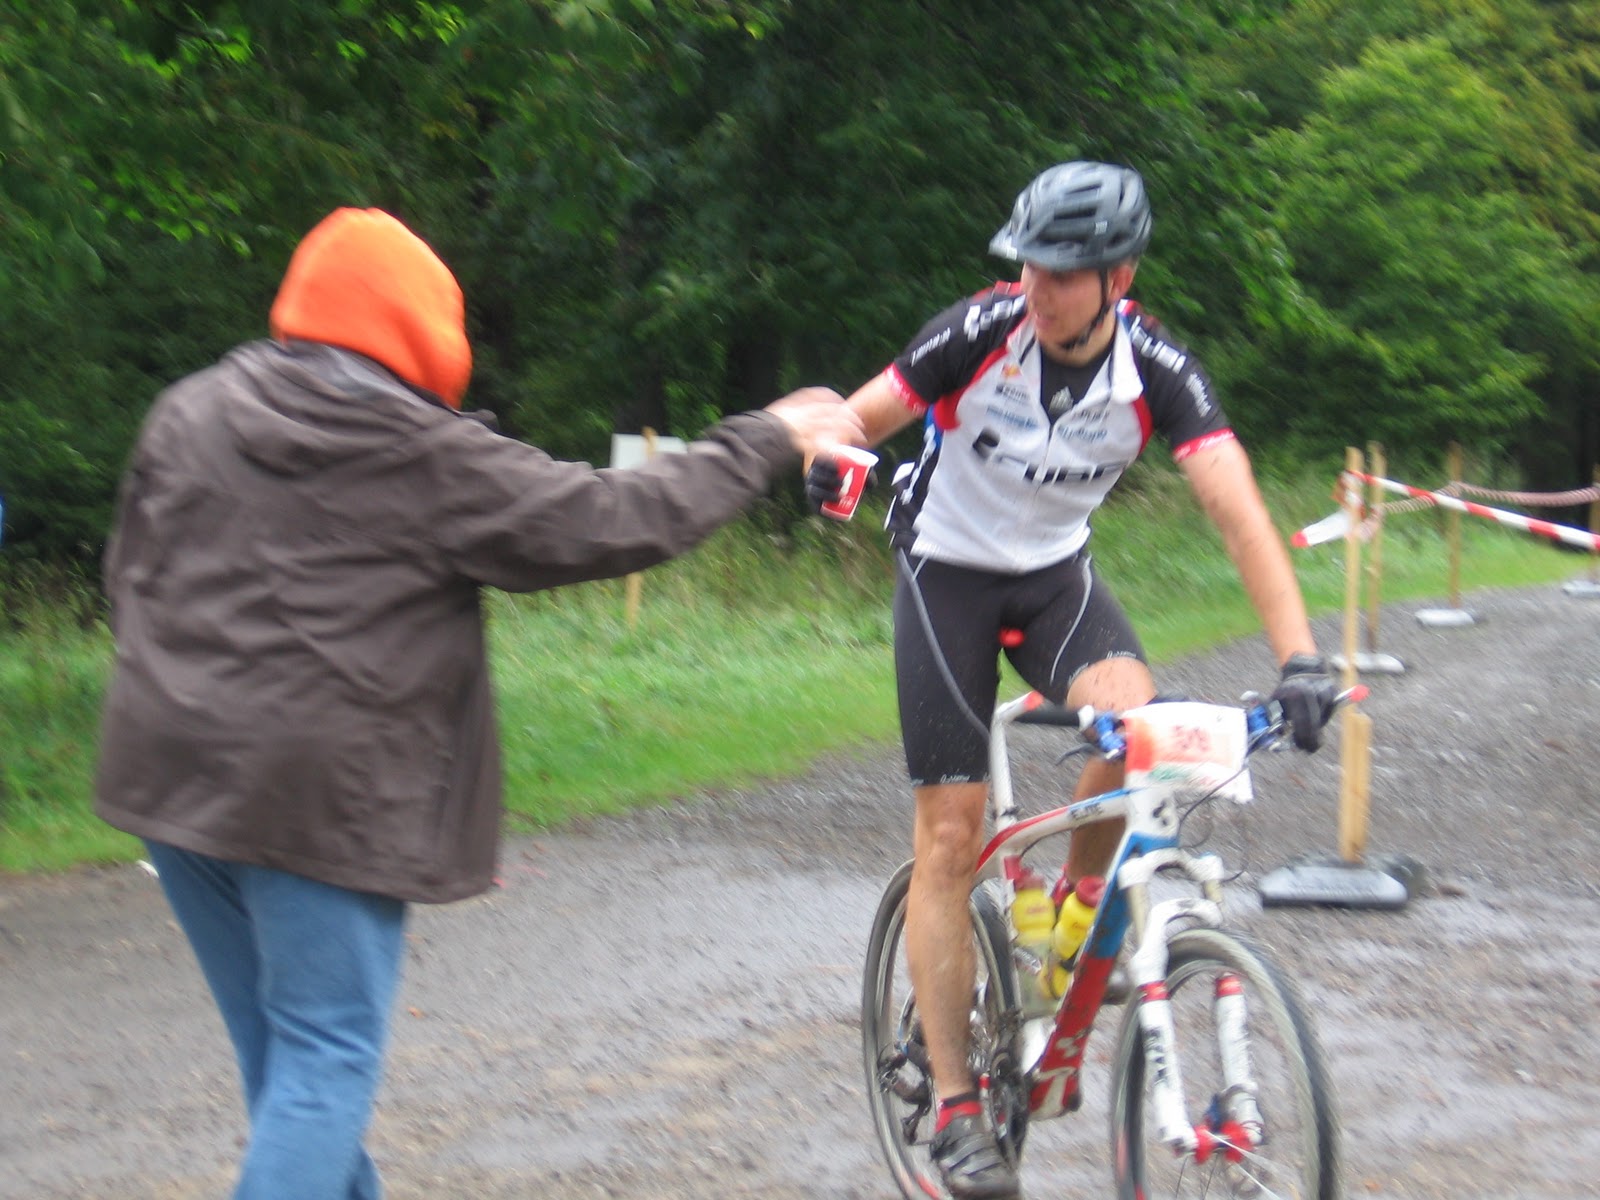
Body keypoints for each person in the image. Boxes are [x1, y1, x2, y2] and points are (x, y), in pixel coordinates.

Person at [94, 206, 863, 1200]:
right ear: (423, 334)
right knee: (323, 1061)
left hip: (172, 777)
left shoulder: (188, 410)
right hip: (316, 799)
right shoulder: (416, 448)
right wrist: (765, 437)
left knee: (288, 1068)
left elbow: (130, 573)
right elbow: (610, 516)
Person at [806, 161, 1337, 1200]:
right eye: (1029, 267)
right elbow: (857, 418)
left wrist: (1301, 660)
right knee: (950, 833)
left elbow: (1239, 513)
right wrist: (831, 454)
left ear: (1118, 279)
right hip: (944, 575)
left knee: (1138, 729)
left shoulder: (1156, 368)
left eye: (1061, 273)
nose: (1036, 289)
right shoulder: (978, 331)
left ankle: (1077, 906)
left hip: (1054, 579)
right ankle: (956, 1107)